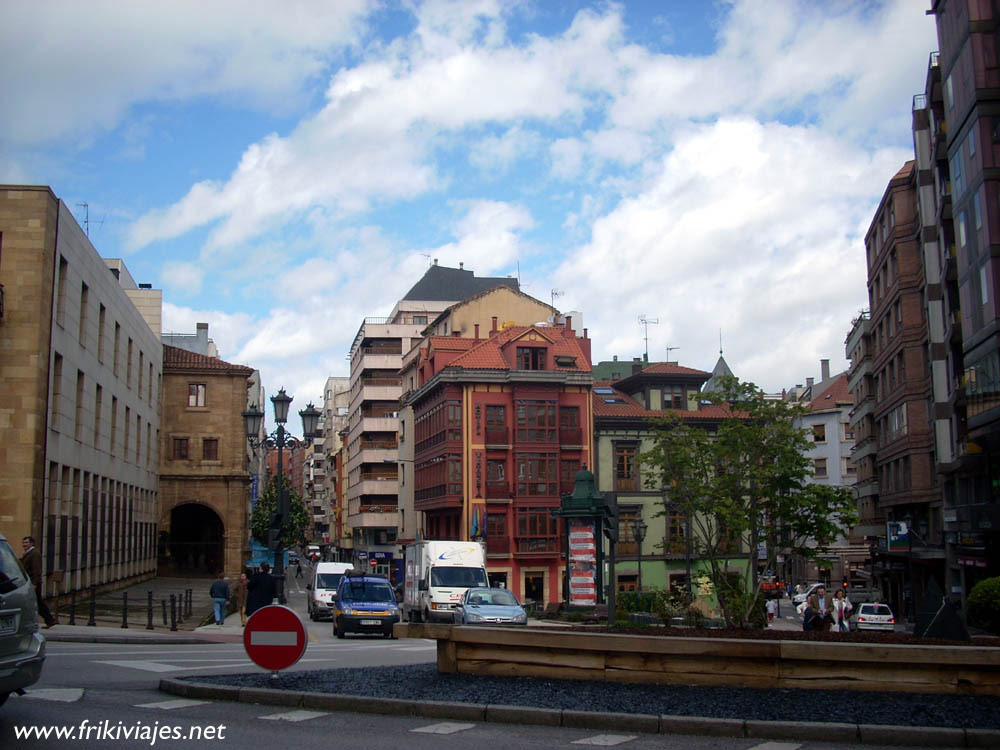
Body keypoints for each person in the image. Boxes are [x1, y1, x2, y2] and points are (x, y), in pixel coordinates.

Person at [21, 536, 56, 628]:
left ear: (31, 543)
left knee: (38, 602)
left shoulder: (34, 554)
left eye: (26, 543)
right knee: (36, 602)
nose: (24, 544)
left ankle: (49, 620)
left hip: (33, 583)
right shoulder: (28, 553)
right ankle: (49, 620)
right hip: (29, 582)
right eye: (23, 543)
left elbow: (36, 570)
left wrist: (34, 583)